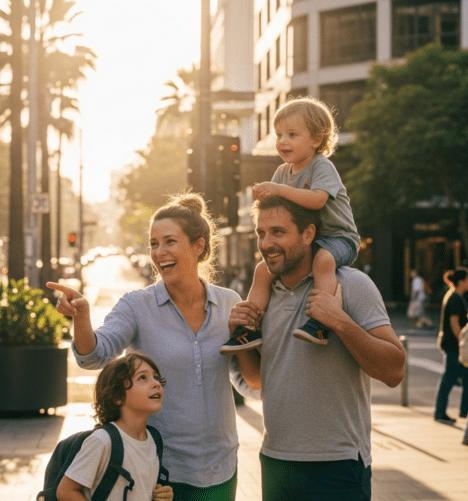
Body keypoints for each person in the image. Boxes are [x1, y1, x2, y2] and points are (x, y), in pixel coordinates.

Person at [48, 193, 241, 501]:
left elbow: (247, 380)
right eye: (154, 244)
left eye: (169, 241)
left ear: (199, 246)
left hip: (220, 468)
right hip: (156, 473)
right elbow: (93, 355)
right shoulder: (137, 306)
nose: (159, 252)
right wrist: (82, 316)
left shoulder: (229, 303)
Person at [231, 196, 405, 501]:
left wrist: (340, 321)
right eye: (261, 233)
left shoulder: (351, 285)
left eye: (278, 232)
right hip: (276, 461)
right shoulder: (263, 295)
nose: (266, 243)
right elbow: (258, 382)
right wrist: (240, 339)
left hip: (338, 464)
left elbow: (394, 371)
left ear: (308, 234)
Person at [220, 96, 360, 354]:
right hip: (307, 241)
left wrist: (278, 189)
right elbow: (275, 210)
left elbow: (318, 200)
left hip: (338, 238)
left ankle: (320, 321)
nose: (283, 141)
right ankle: (248, 329)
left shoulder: (321, 167)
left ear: (316, 139)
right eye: (279, 135)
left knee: (323, 262)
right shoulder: (283, 173)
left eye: (292, 134)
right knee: (263, 270)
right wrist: (263, 197)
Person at [57, 352, 173, 501]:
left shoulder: (154, 439)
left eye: (156, 377)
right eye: (142, 377)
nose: (156, 383)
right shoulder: (102, 441)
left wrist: (162, 495)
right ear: (118, 396)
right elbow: (66, 491)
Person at [434, 267, 468, 424]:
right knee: (449, 378)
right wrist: (463, 342)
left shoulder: (454, 296)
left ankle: (455, 411)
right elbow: (454, 323)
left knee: (452, 378)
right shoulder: (455, 298)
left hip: (451, 344)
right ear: (461, 281)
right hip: (453, 345)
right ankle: (441, 412)